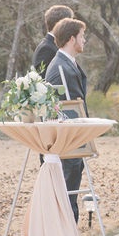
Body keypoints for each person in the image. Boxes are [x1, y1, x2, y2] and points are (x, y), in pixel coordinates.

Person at [44, 17, 89, 222]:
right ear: (72, 39)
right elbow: (67, 109)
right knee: (66, 197)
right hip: (68, 145)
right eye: (82, 36)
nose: (84, 40)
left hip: (73, 144)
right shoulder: (60, 67)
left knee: (70, 197)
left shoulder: (68, 64)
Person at [31, 5, 73, 77]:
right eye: (69, 24)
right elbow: (44, 81)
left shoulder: (54, 45)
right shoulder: (46, 49)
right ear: (59, 24)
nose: (71, 27)